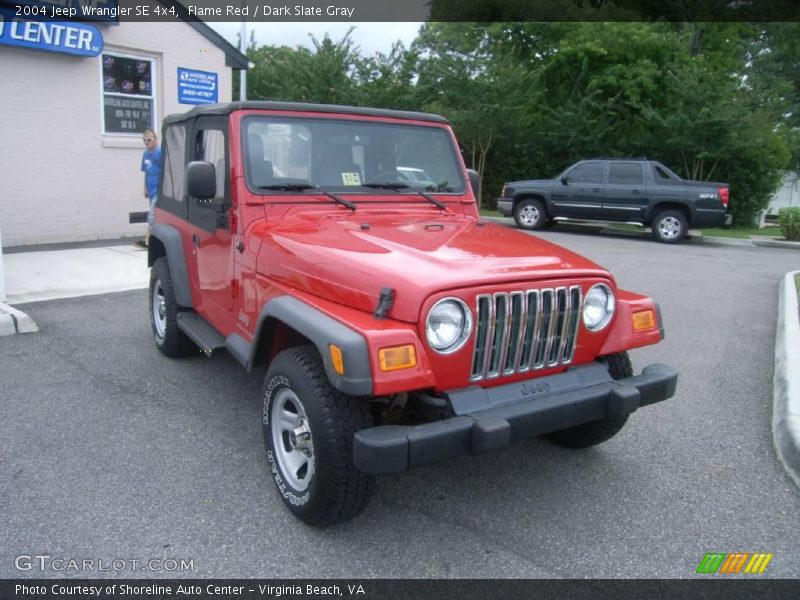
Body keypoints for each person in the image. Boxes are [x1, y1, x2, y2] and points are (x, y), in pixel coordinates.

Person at [139, 128, 160, 247]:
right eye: (144, 140)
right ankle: (153, 239)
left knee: (152, 213)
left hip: (158, 189)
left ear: (156, 140)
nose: (146, 142)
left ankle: (147, 240)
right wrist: (145, 188)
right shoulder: (146, 154)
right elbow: (146, 172)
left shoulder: (161, 153)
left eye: (149, 140)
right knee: (155, 214)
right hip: (151, 190)